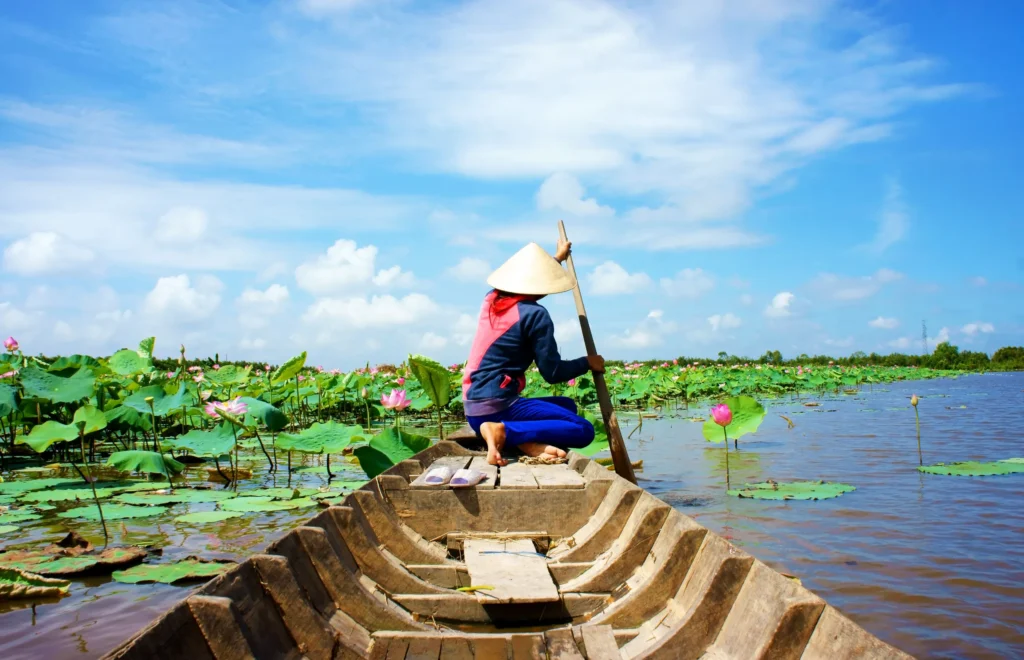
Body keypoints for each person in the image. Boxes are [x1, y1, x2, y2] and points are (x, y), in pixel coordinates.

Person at [462, 239, 605, 466]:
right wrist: (587, 362)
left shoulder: (491, 299)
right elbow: (553, 372)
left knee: (566, 406)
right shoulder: (535, 315)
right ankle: (504, 431)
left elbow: (529, 281)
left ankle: (521, 440)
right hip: (498, 406)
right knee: (583, 429)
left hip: (473, 410)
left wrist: (556, 259)